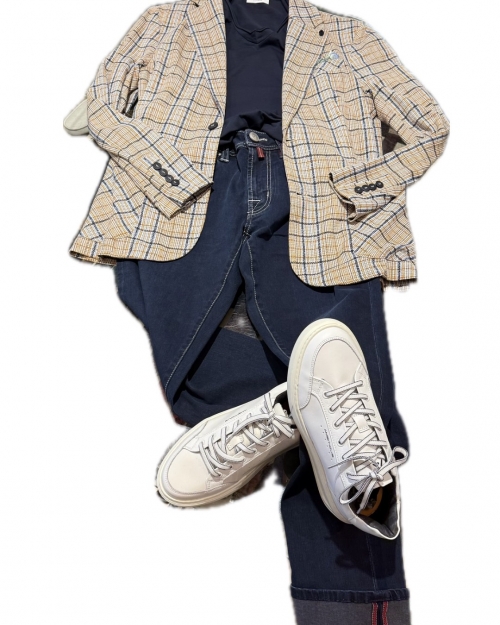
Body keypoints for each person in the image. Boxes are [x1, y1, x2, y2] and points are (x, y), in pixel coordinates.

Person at [66, 0, 450, 621]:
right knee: (339, 411)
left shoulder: (346, 35)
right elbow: (104, 102)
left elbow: (428, 124)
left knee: (334, 382)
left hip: (317, 205)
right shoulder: (168, 20)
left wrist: (360, 188)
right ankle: (311, 412)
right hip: (188, 195)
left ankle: (347, 593)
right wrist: (169, 172)